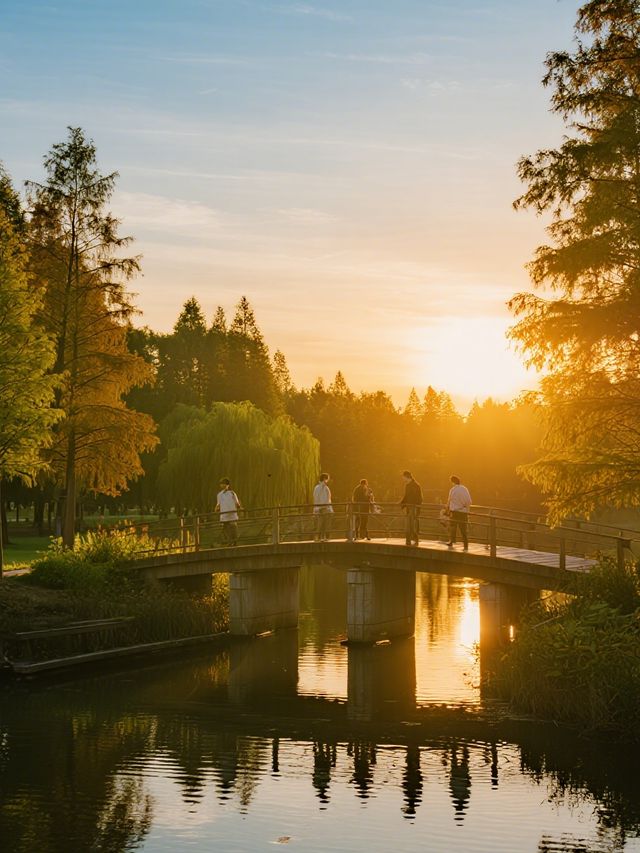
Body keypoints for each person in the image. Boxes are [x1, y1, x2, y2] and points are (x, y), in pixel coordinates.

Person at [446, 475, 472, 550]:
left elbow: (449, 501)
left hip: (454, 512)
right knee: (463, 529)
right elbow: (469, 501)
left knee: (453, 527)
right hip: (463, 512)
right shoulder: (465, 489)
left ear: (453, 482)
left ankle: (451, 541)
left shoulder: (452, 490)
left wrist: (446, 509)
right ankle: (465, 545)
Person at [215, 478, 242, 546]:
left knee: (233, 528)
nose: (223, 485)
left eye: (225, 484)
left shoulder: (232, 493)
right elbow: (218, 504)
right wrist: (216, 508)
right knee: (226, 528)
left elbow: (237, 503)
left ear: (228, 485)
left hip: (232, 513)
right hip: (224, 514)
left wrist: (240, 508)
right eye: (222, 484)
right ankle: (229, 542)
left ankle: (234, 541)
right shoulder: (219, 494)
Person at [400, 470, 422, 546]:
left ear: (406, 477)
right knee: (409, 524)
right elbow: (406, 496)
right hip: (409, 508)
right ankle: (409, 540)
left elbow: (419, 498)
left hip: (413, 508)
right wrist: (402, 503)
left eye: (403, 477)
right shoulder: (408, 485)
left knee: (412, 524)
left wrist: (417, 508)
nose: (402, 479)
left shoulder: (415, 485)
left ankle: (414, 539)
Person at [313, 473, 333, 541]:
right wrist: (329, 508)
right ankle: (325, 537)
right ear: (324, 479)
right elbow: (328, 499)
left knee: (320, 523)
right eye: (327, 479)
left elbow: (315, 498)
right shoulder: (324, 488)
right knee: (326, 523)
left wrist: (316, 508)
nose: (327, 480)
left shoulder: (316, 487)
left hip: (319, 508)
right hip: (325, 508)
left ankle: (319, 537)